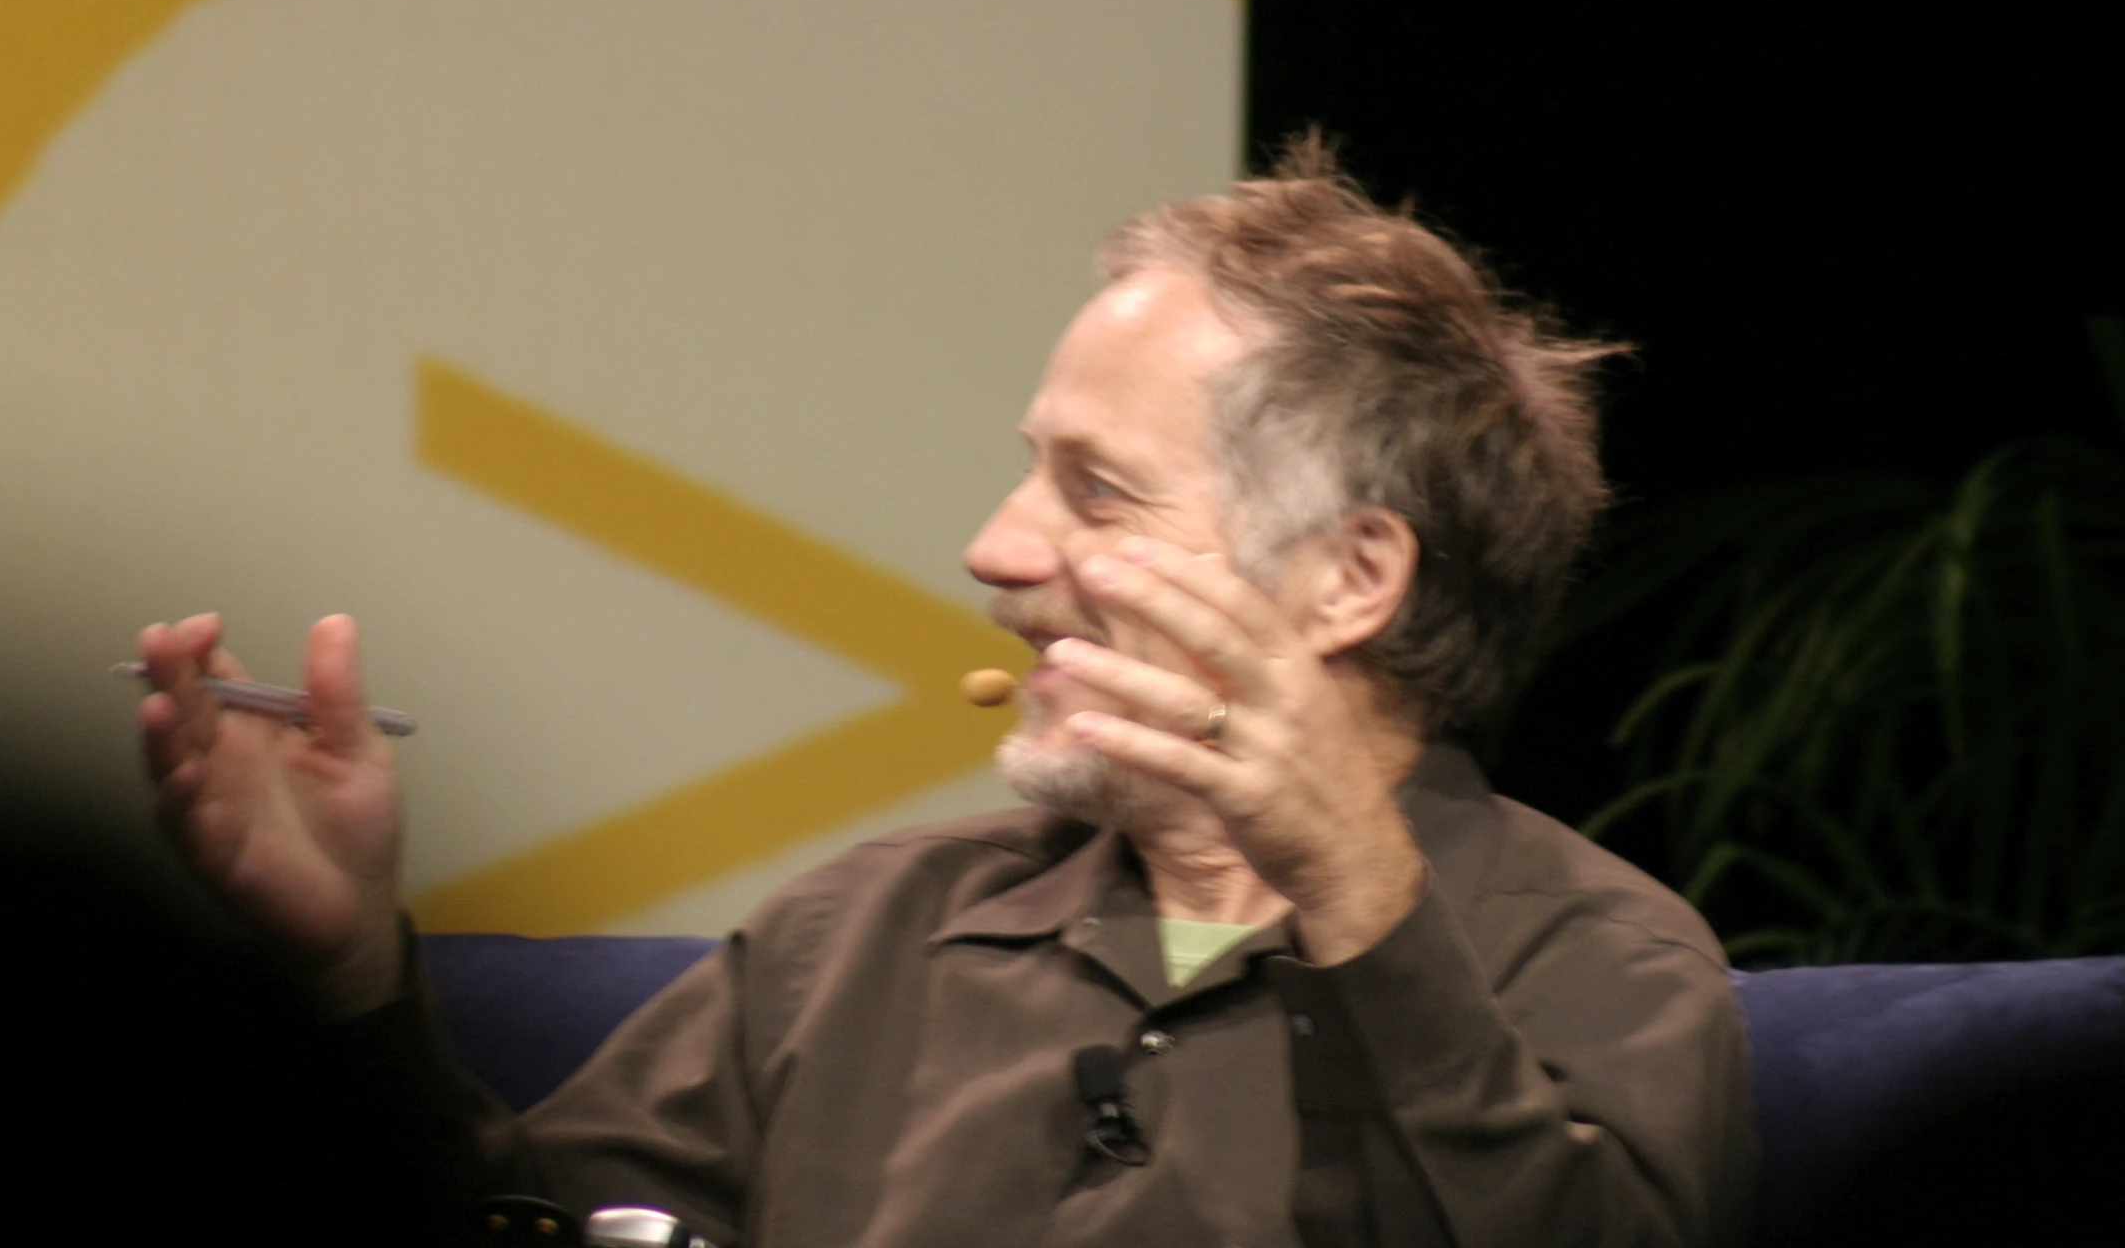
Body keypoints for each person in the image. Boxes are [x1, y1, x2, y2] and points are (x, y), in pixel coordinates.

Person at [138, 140, 1754, 1245]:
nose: (994, 548)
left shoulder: (1594, 959)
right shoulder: (863, 938)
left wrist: (1356, 900)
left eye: (1097, 491)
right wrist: (346, 969)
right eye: (1022, 475)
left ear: (1349, 579)